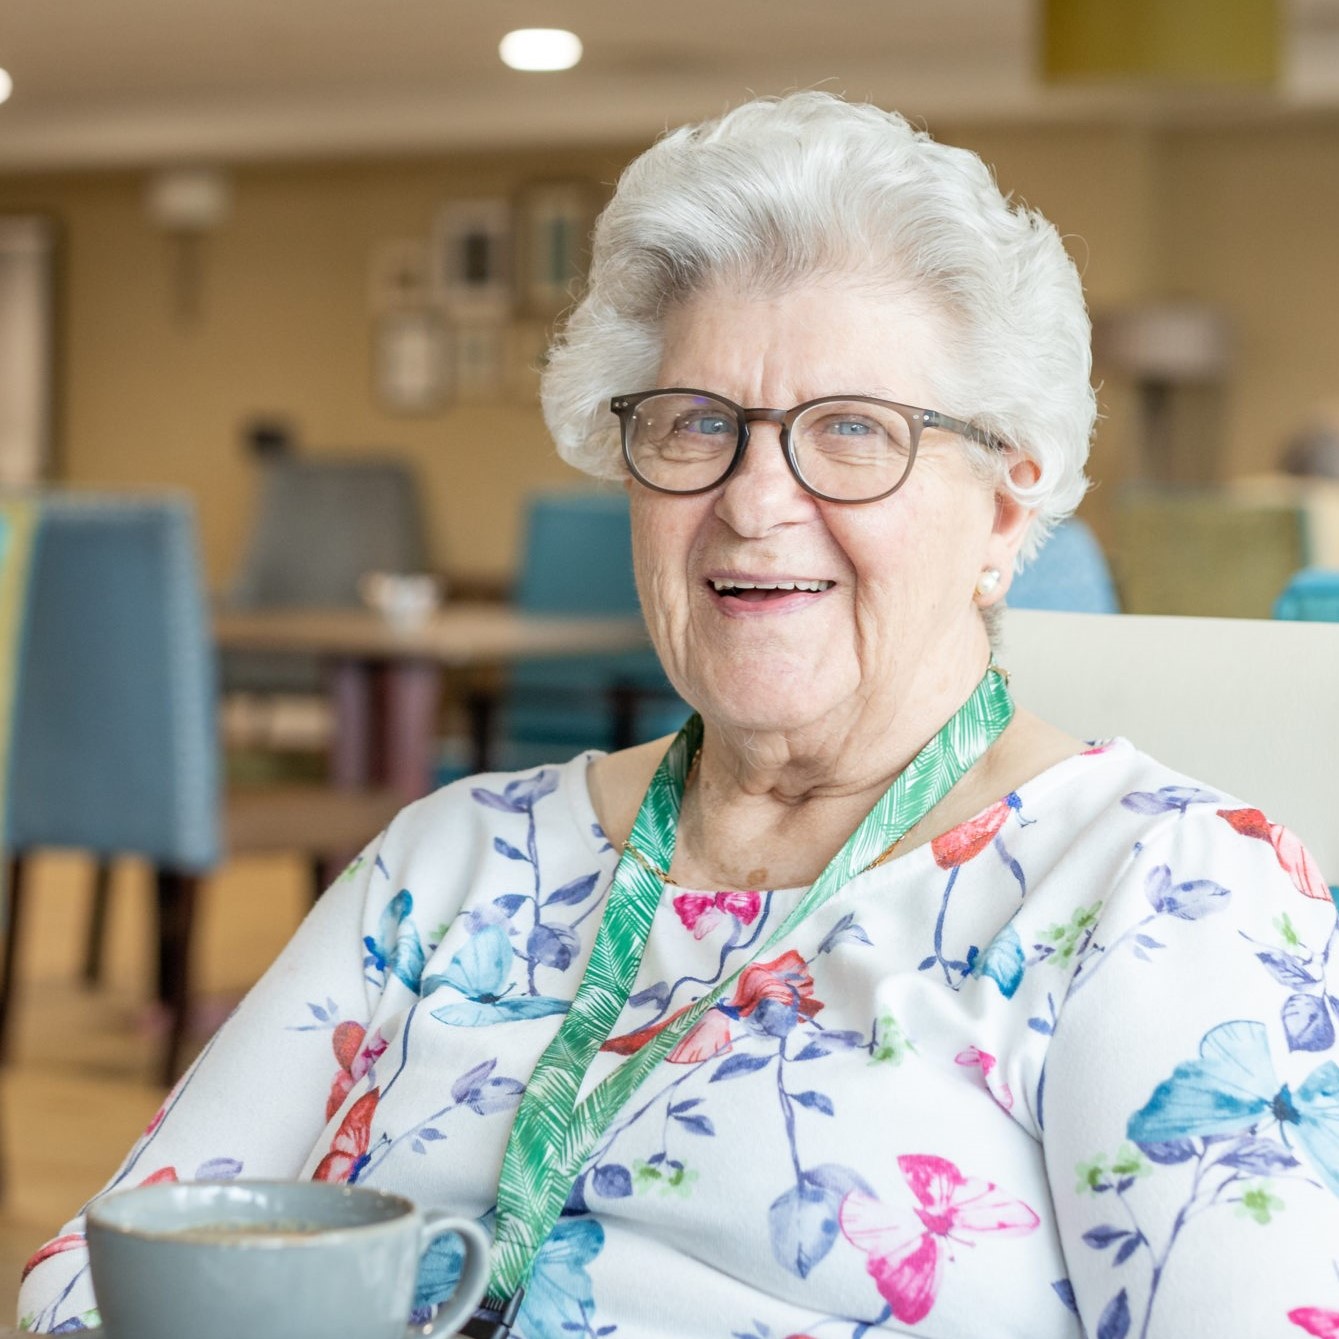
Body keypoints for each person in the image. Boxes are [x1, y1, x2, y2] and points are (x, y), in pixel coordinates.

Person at [19, 93, 1339, 1339]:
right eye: (698, 422)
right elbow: (98, 1269)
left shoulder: (1153, 894)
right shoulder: (452, 860)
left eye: (852, 431)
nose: (754, 500)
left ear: (1005, 508)